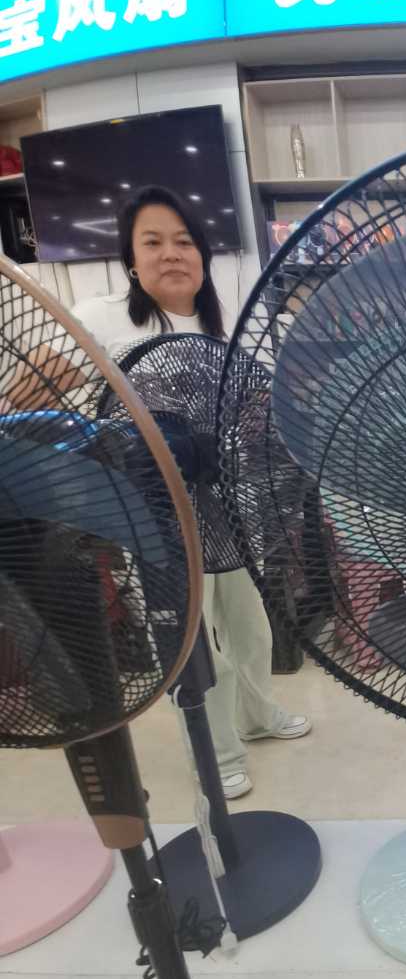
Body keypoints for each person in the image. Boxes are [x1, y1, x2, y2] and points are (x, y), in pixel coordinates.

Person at [73, 185, 311, 799]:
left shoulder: (221, 328)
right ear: (131, 260)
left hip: (225, 505)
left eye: (184, 241)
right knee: (192, 645)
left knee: (250, 627)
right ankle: (217, 753)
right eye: (152, 242)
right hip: (154, 516)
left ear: (202, 256)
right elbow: (59, 383)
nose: (171, 253)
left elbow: (250, 411)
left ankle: (257, 716)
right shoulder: (100, 320)